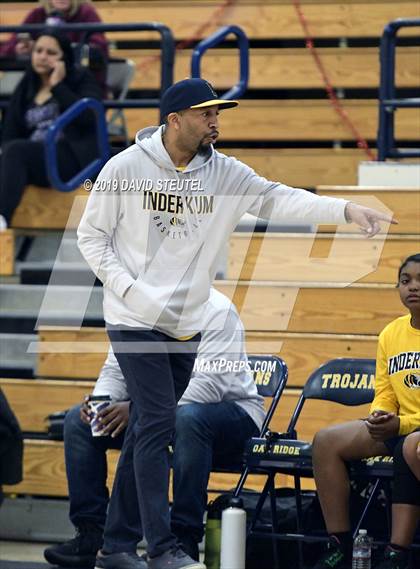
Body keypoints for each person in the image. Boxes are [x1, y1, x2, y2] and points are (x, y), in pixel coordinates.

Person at [77, 77, 395, 569]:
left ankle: (116, 546)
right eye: (206, 114)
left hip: (186, 321)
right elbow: (91, 237)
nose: (216, 122)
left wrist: (346, 209)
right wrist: (128, 289)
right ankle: (162, 549)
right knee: (160, 421)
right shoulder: (125, 168)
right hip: (133, 318)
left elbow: (281, 198)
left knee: (145, 423)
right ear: (175, 119)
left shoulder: (225, 174)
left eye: (217, 114)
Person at [43, 288, 264, 568]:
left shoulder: (218, 310)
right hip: (160, 411)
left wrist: (138, 407)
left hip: (232, 412)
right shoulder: (135, 310)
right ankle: (92, 535)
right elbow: (116, 369)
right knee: (78, 422)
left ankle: (183, 537)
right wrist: (101, 402)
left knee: (188, 419)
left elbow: (210, 386)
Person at [311, 253, 420, 569]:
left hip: (410, 432)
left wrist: (401, 425)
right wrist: (380, 416)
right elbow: (385, 390)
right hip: (400, 426)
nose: (412, 287)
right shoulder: (390, 333)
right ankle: (340, 543)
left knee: (413, 446)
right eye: (405, 280)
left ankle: (396, 552)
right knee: (325, 441)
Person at [0, 30, 102, 229]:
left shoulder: (81, 78)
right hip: (34, 158)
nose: (42, 57)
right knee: (11, 149)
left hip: (72, 158)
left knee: (16, 150)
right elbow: (11, 130)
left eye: (51, 52)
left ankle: (2, 218)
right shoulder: (28, 83)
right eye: (38, 51)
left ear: (64, 57)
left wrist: (57, 86)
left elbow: (89, 118)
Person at [0, 0, 108, 65]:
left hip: (76, 75)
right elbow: (9, 46)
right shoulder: (38, 13)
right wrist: (19, 49)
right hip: (40, 77)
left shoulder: (87, 13)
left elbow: (99, 47)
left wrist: (69, 50)